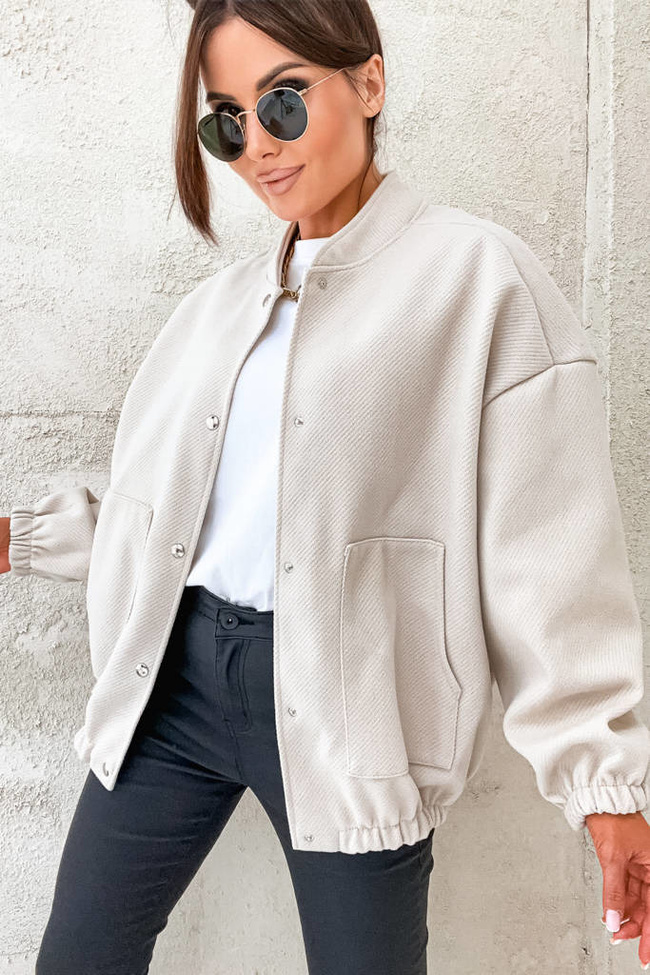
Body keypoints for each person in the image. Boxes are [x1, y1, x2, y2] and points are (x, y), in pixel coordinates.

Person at [2, 1, 649, 972]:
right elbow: (170, 525)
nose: (258, 146)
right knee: (78, 957)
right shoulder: (216, 311)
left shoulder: (478, 281)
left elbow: (548, 554)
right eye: (227, 122)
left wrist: (603, 786)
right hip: (171, 688)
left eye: (283, 103)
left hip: (353, 709)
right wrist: (21, 540)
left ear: (369, 82)